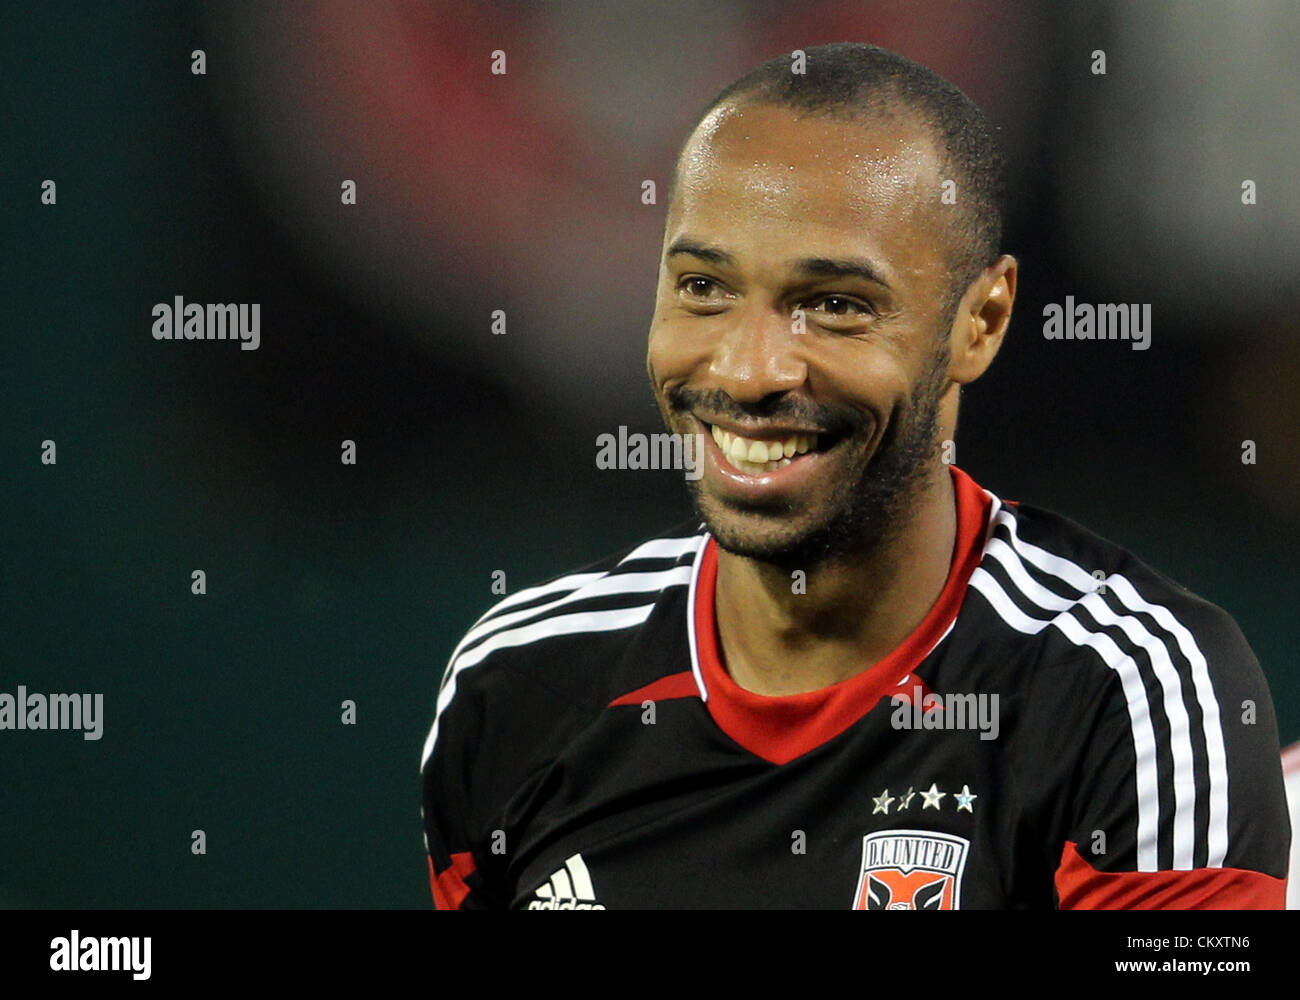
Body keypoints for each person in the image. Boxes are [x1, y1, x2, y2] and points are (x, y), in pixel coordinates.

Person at [420, 42, 1289, 909]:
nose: (751, 372)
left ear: (980, 322)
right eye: (703, 288)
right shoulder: (518, 686)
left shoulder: (1131, 694)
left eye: (835, 306)